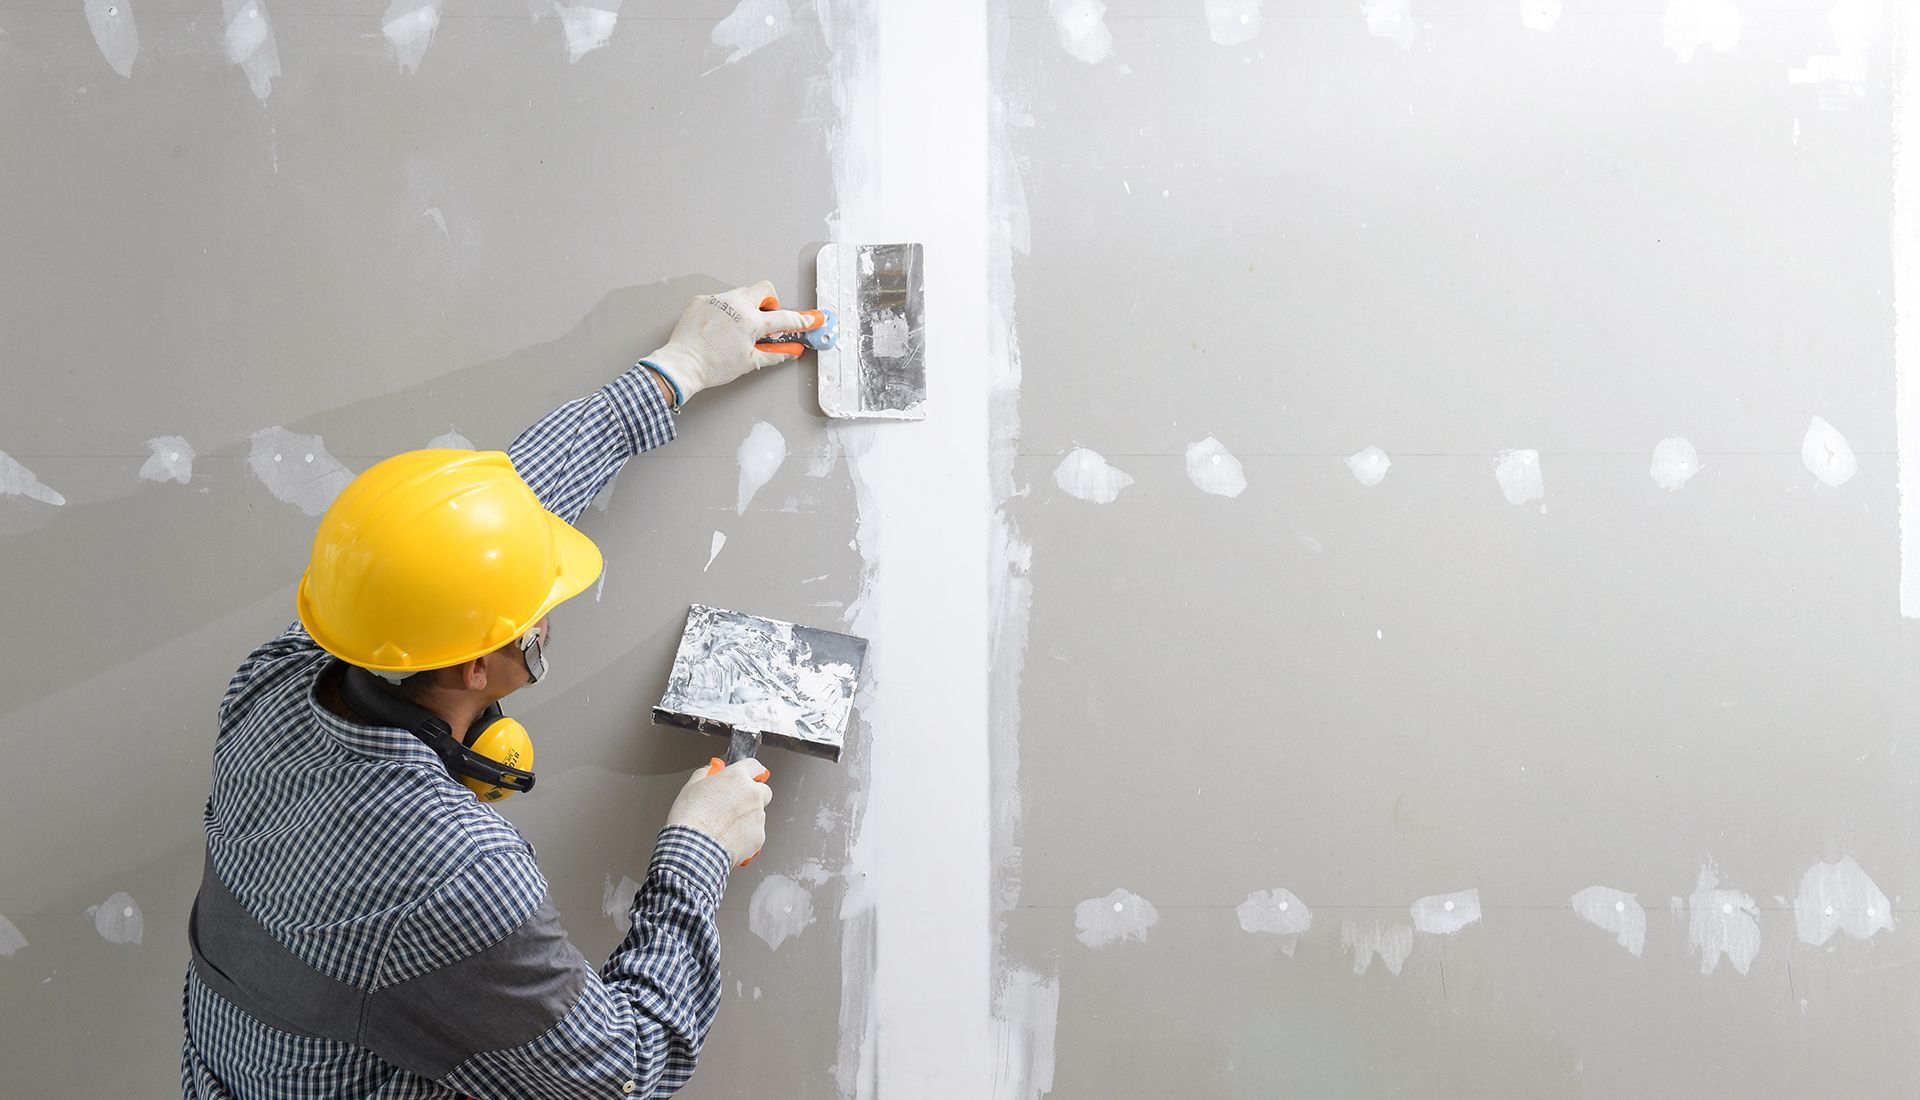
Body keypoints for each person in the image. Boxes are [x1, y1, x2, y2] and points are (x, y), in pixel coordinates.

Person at [180, 282, 820, 1099]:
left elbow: (475, 527)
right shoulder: (453, 871)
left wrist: (679, 368)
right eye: (537, 605)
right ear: (477, 666)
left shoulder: (277, 681)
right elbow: (621, 1075)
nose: (550, 607)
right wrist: (697, 850)